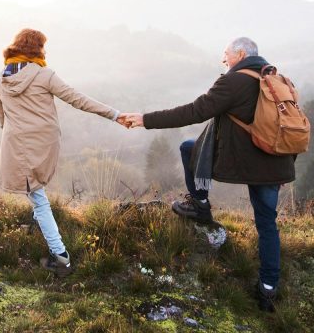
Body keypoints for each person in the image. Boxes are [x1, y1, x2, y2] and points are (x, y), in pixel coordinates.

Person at [121, 37, 295, 312]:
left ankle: (200, 205)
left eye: (226, 55)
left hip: (246, 159)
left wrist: (146, 119)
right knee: (267, 223)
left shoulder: (233, 82)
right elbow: (290, 126)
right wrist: (285, 164)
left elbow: (194, 111)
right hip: (275, 161)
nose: (224, 60)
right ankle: (269, 287)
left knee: (189, 149)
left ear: (239, 54)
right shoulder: (277, 80)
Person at [0, 28, 128, 277]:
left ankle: (52, 242)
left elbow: (2, 117)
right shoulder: (44, 75)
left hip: (17, 144)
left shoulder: (1, 79)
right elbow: (77, 99)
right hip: (44, 142)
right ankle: (61, 257)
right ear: (37, 50)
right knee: (37, 193)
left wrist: (16, 135)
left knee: (35, 192)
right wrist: (114, 114)